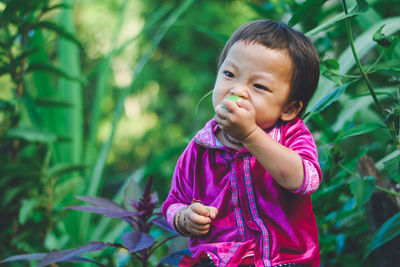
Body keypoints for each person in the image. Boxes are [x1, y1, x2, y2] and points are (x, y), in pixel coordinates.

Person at [162, 19, 322, 267]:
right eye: (229, 74)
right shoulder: (200, 148)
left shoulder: (291, 135)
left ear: (289, 108)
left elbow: (304, 181)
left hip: (285, 260)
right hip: (218, 259)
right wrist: (185, 218)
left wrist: (250, 134)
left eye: (258, 86)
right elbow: (174, 202)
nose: (237, 90)